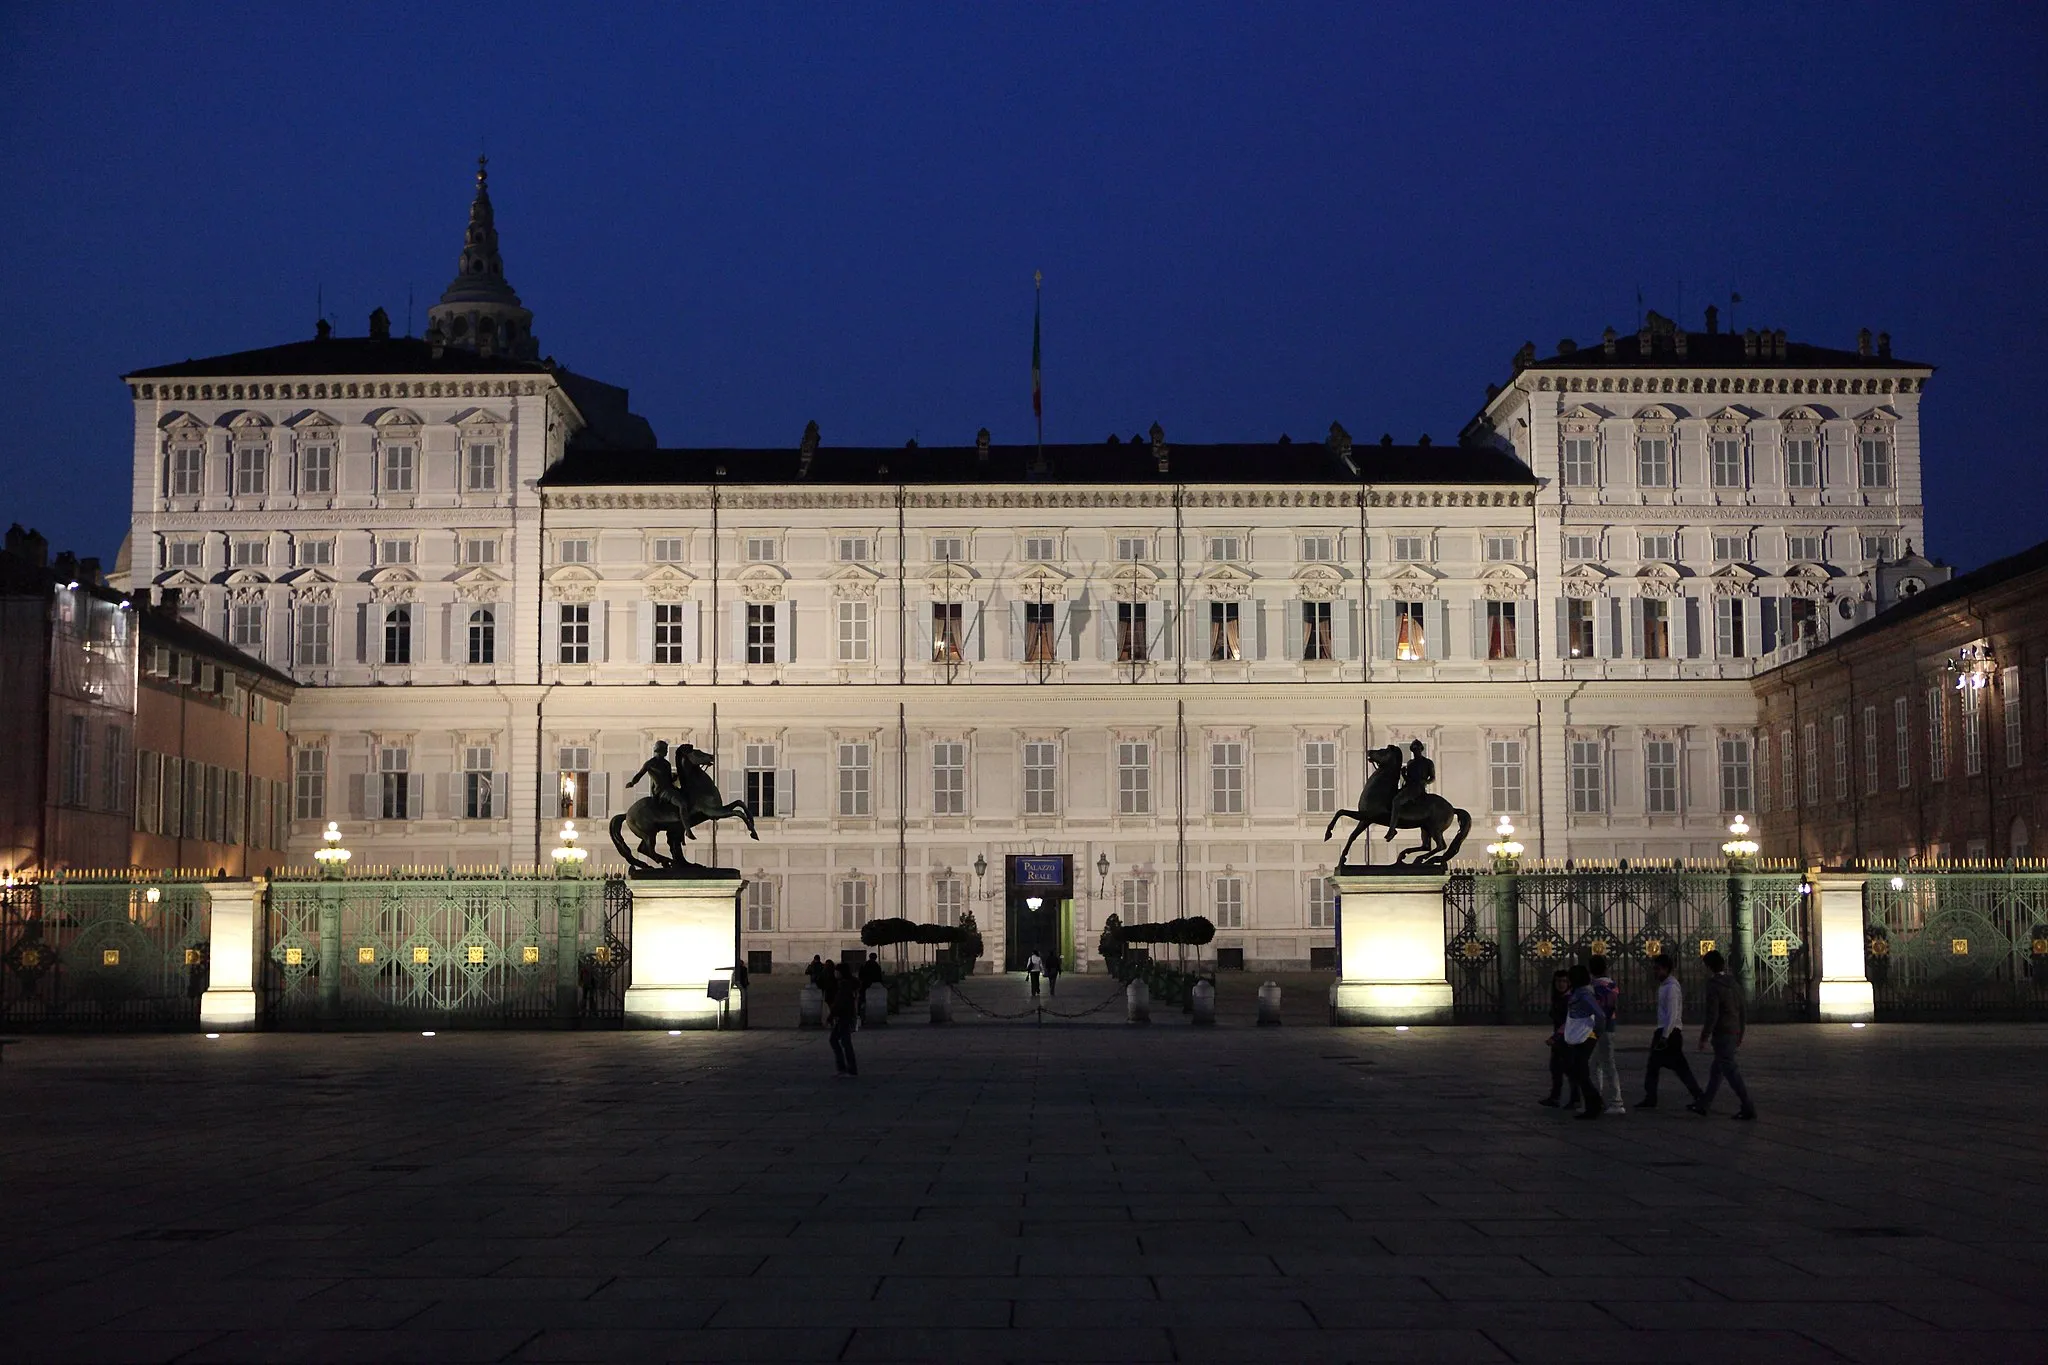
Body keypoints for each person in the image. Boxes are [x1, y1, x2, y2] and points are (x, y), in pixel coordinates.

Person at [1691, 950, 1755, 1120]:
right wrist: (1741, 1032)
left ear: (1708, 967)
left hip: (1722, 1033)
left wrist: (1704, 1036)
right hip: (1734, 1031)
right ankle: (1703, 1104)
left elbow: (1713, 1015)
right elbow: (1742, 1010)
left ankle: (1747, 1106)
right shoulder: (1733, 983)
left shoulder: (1714, 986)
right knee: (1717, 1070)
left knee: (1730, 1071)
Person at [1639, 953, 1703, 1109]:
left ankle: (1699, 1096)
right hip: (1666, 1031)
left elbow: (1672, 1014)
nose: (1655, 972)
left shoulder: (1671, 988)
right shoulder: (1665, 986)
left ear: (1666, 969)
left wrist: (1664, 1036)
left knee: (1673, 1067)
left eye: (1657, 969)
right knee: (1662, 1066)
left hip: (1669, 1033)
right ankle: (1651, 1097)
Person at [1562, 963, 1603, 1119]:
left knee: (1580, 1072)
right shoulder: (1579, 992)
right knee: (1577, 1070)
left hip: (1586, 1036)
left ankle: (1593, 1105)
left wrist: (1596, 1033)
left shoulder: (1585, 994)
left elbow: (1600, 1014)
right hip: (1580, 1035)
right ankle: (1594, 1102)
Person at [1587, 954, 1625, 1115]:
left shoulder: (1594, 987)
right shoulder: (1612, 985)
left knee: (1601, 1065)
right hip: (1610, 1026)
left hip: (1598, 1028)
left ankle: (1616, 1101)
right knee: (1601, 1063)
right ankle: (1598, 1099)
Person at [1538, 969, 1581, 1109]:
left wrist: (1555, 1037)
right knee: (1556, 1068)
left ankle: (1575, 1099)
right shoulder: (1559, 998)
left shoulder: (1569, 999)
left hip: (1567, 1039)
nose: (1561, 984)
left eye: (1564, 981)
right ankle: (1555, 1097)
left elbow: (1568, 1022)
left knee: (1570, 1070)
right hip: (1560, 1040)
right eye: (1558, 981)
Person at [827, 962, 859, 1078]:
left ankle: (847, 1069)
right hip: (846, 1016)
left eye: (837, 971)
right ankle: (847, 1068)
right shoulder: (847, 984)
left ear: (841, 972)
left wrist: (831, 1015)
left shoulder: (845, 985)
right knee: (840, 1041)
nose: (835, 973)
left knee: (840, 1041)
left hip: (844, 1017)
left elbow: (841, 1002)